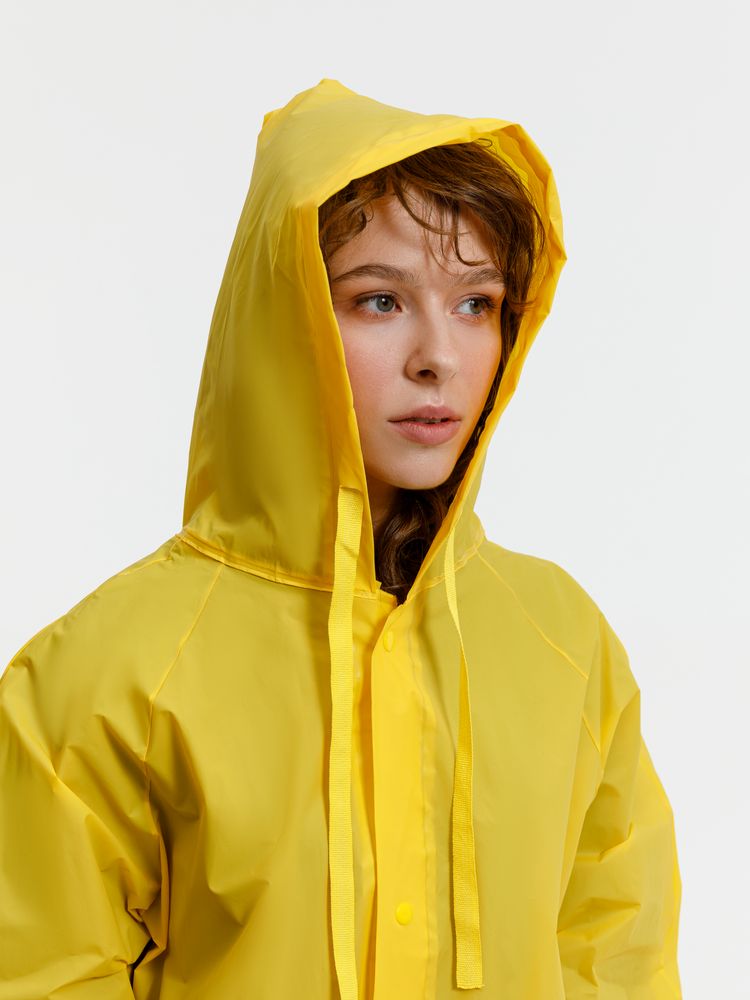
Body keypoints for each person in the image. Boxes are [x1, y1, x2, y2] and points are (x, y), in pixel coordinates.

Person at [0, 78, 682, 997]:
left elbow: (618, 959)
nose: (439, 357)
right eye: (380, 301)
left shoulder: (563, 640)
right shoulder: (111, 673)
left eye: (476, 303)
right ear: (285, 323)